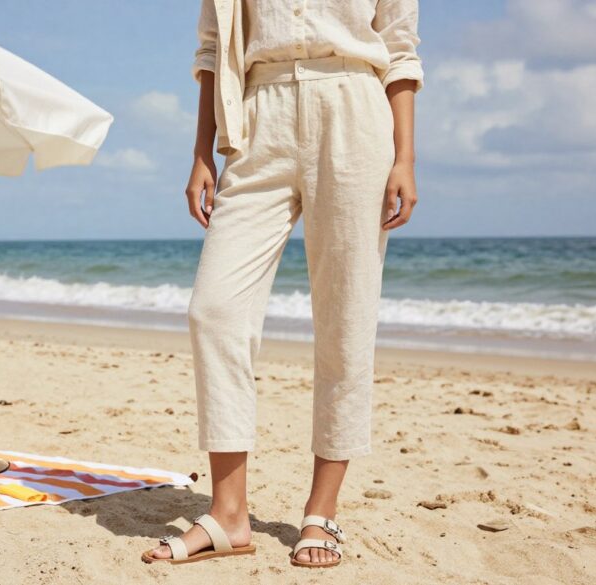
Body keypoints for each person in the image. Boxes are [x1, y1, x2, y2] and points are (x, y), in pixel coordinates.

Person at [141, 0, 424, 568]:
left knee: (345, 319)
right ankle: (228, 513)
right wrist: (201, 152)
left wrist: (405, 158)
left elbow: (398, 49)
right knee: (215, 310)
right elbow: (212, 50)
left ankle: (321, 511)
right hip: (255, 115)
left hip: (354, 110)